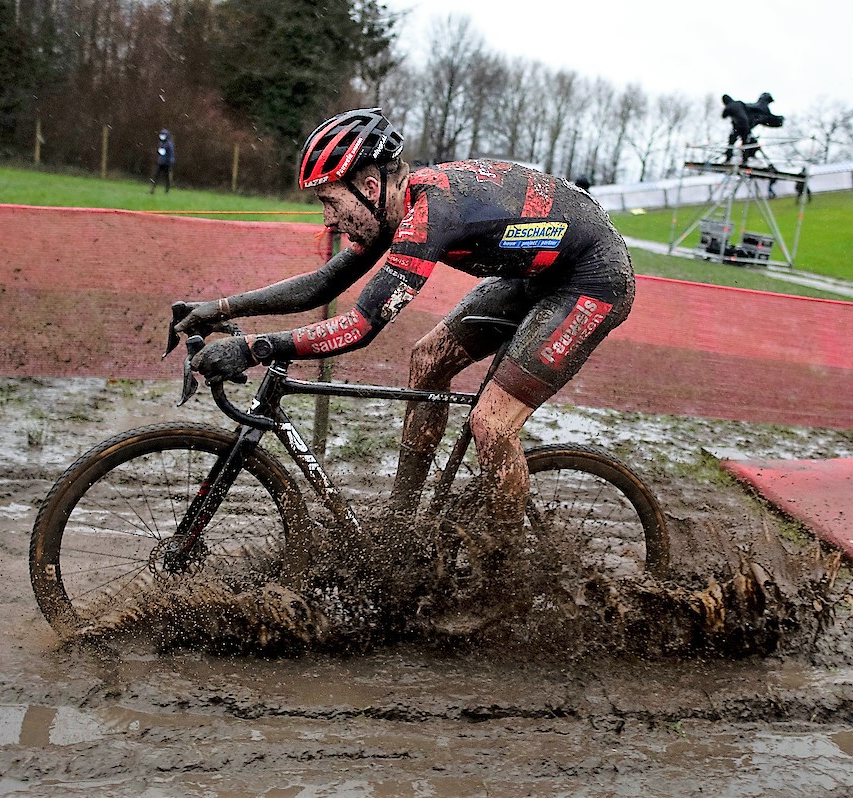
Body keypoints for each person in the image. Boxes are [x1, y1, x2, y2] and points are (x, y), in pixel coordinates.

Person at [173, 108, 635, 565]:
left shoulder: (431, 216)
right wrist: (218, 309)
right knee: (427, 358)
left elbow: (360, 327)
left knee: (491, 423)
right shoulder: (390, 208)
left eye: (331, 201)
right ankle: (404, 525)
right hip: (536, 271)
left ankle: (506, 569)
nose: (329, 220)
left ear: (369, 187)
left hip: (591, 278)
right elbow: (322, 284)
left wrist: (255, 347)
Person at [150, 128, 175, 194]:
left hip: (167, 163)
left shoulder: (169, 144)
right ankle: (152, 190)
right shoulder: (161, 143)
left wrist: (170, 162)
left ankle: (167, 190)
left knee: (166, 177)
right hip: (161, 162)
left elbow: (171, 154)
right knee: (156, 176)